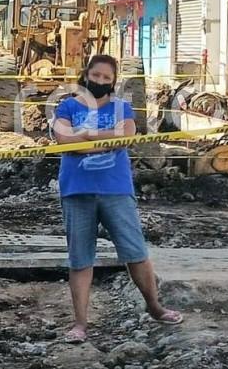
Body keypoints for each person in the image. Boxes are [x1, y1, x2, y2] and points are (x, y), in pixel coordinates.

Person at [52, 54, 182, 344]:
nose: (99, 81)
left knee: (135, 252)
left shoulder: (122, 106)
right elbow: (62, 141)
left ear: (113, 81)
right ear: (86, 74)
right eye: (95, 75)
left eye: (106, 78)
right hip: (77, 192)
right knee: (80, 259)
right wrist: (95, 140)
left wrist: (84, 136)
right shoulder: (68, 105)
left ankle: (155, 306)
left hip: (116, 190)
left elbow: (125, 137)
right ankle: (80, 324)